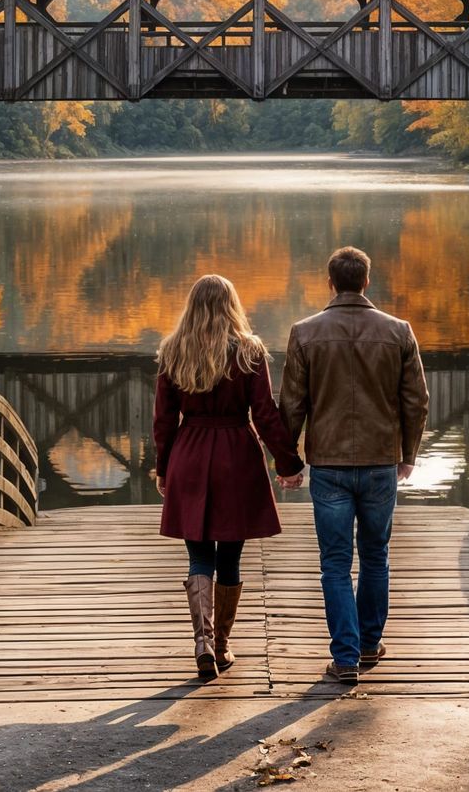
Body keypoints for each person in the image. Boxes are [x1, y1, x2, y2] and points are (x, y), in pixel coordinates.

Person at [280, 246, 428, 685]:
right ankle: (368, 644)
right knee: (376, 556)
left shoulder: (305, 333)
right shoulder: (399, 331)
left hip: (328, 465)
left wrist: (288, 460)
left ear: (330, 282)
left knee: (335, 562)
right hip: (381, 461)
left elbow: (292, 404)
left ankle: (345, 658)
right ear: (366, 281)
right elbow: (417, 401)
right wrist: (408, 454)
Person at [152, 274, 304, 681]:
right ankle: (220, 645)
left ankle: (200, 643)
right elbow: (266, 414)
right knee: (230, 556)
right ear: (232, 304)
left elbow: (163, 421)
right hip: (236, 454)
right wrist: (288, 462)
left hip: (189, 452)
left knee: (198, 554)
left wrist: (164, 468)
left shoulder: (173, 351)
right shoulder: (249, 352)